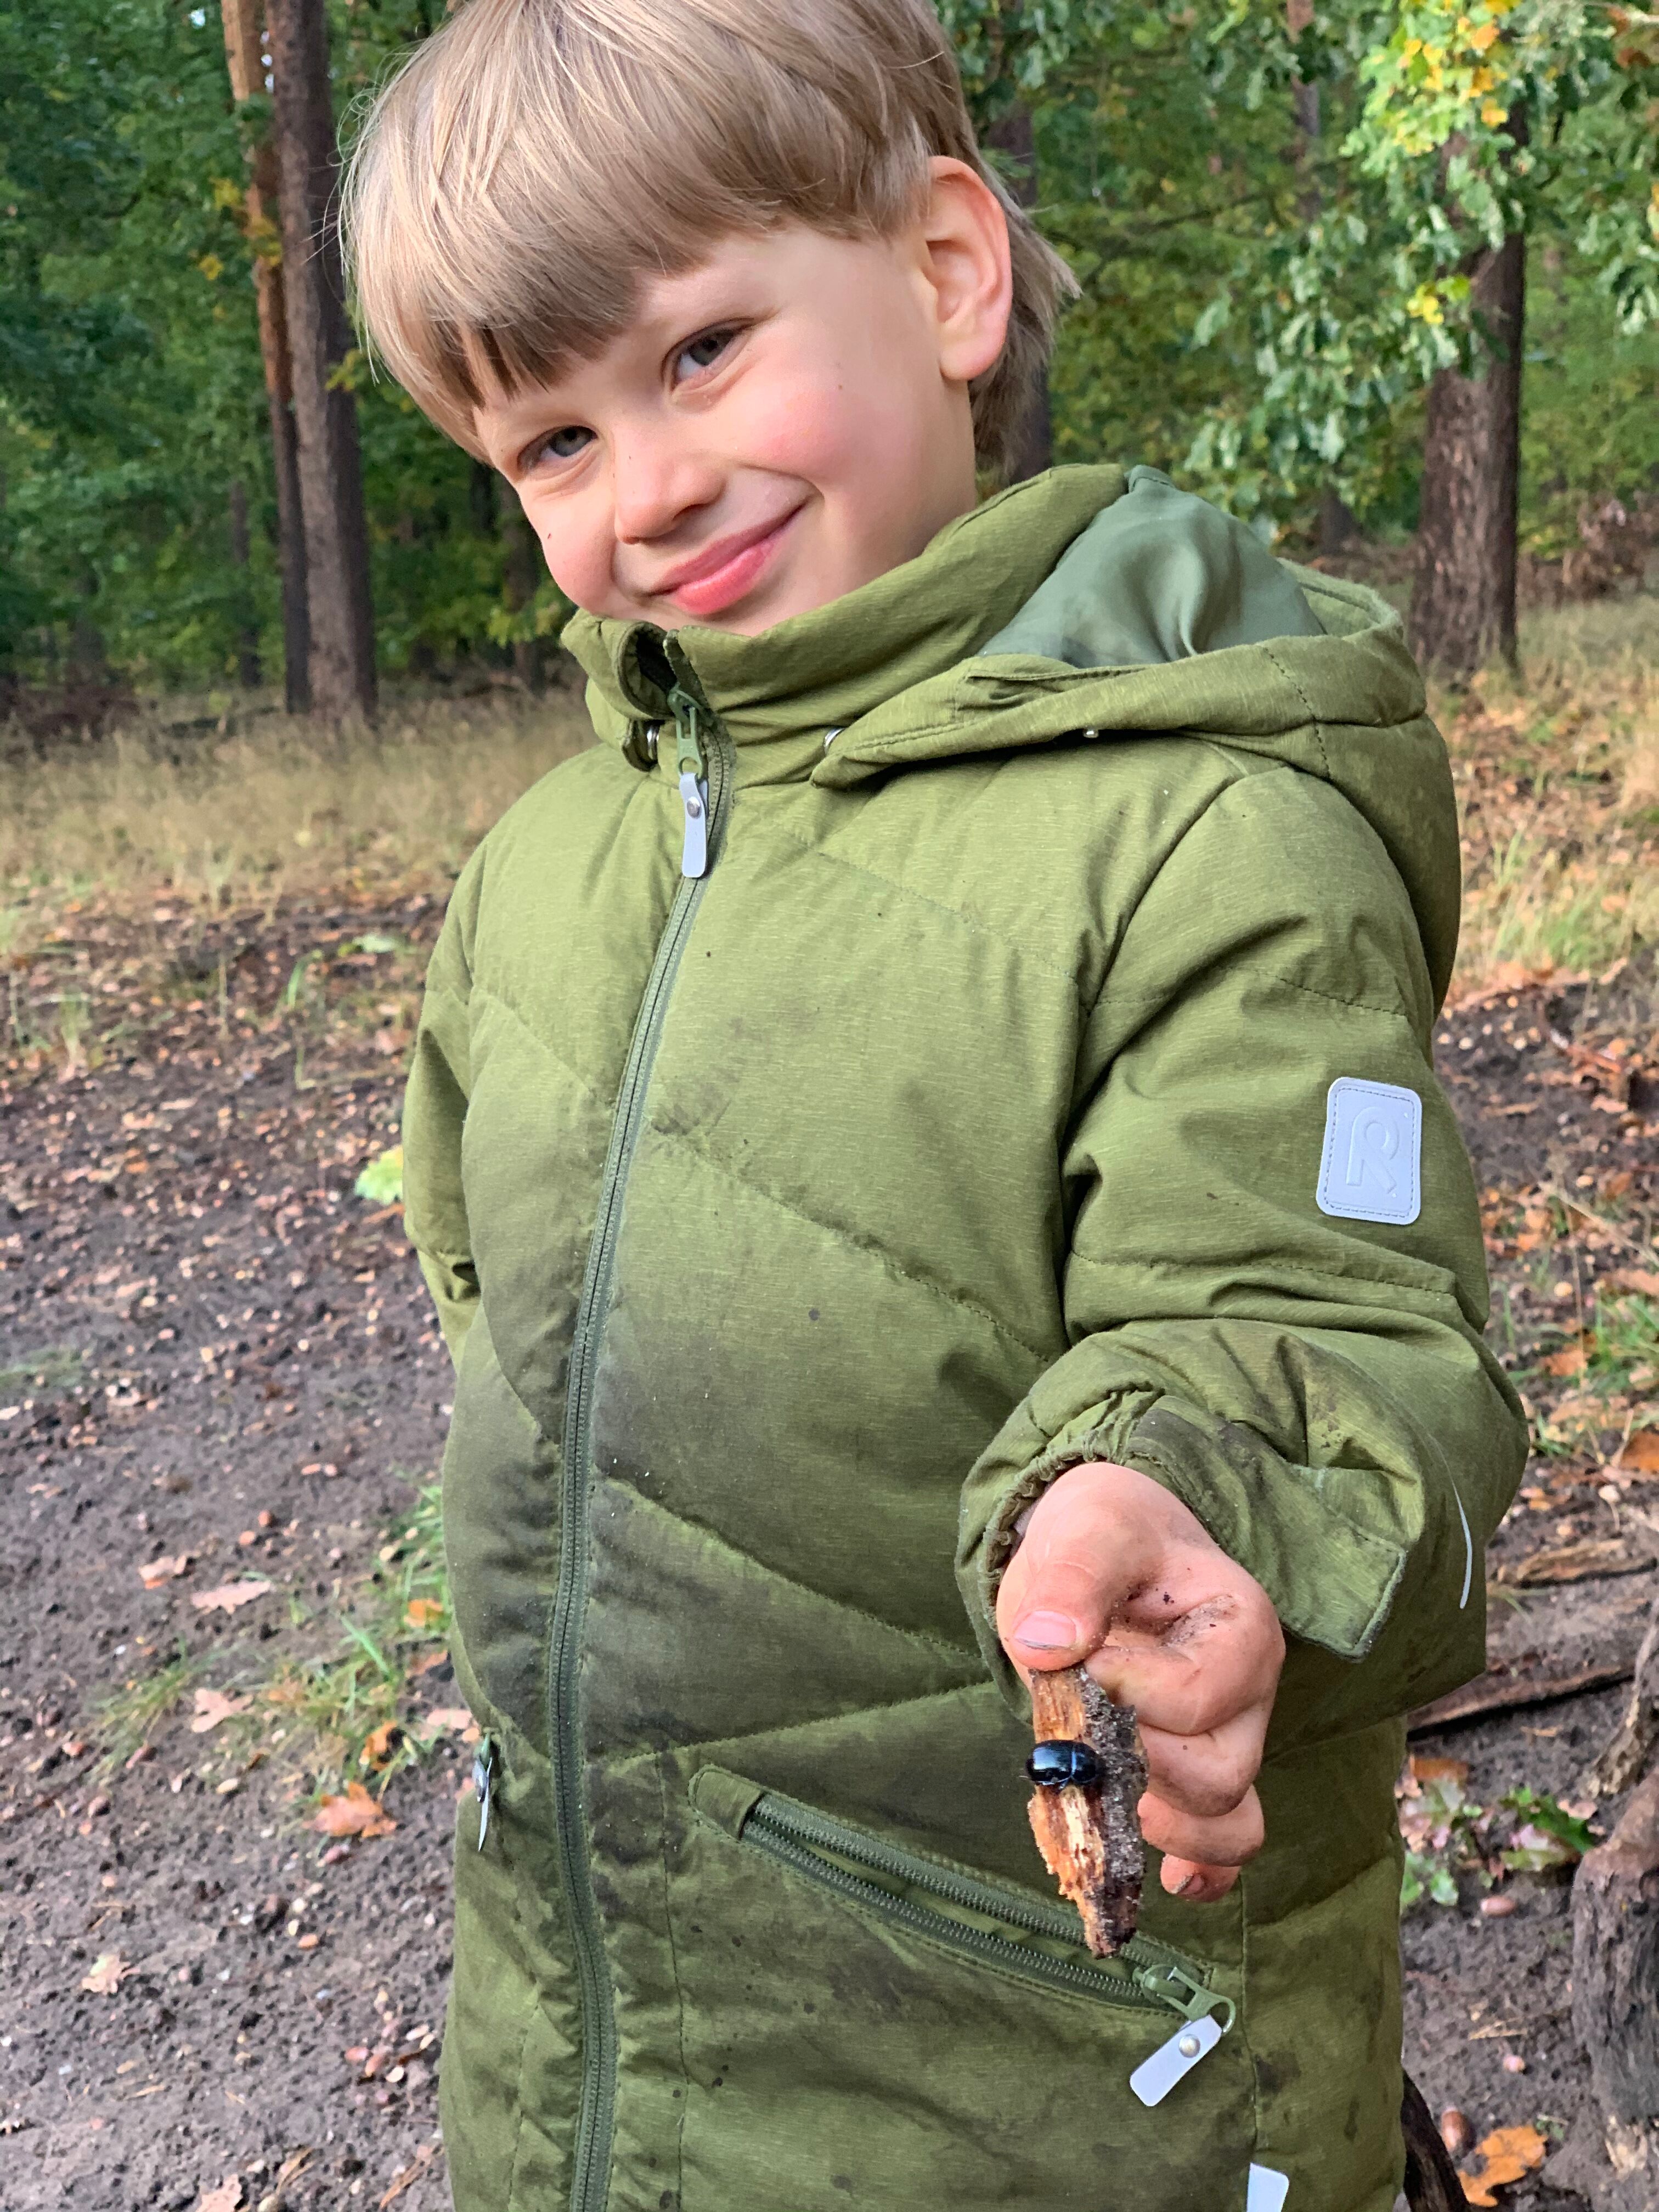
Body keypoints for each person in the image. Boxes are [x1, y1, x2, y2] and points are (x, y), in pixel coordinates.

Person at [344, 2, 1527, 2205]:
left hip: (1061, 2070)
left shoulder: (1200, 830)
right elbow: (494, 1302)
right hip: (595, 2044)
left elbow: (1343, 1339)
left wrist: (1184, 1502)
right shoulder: (538, 883)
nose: (651, 487)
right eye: (552, 444)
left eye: (699, 352)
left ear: (950, 276)